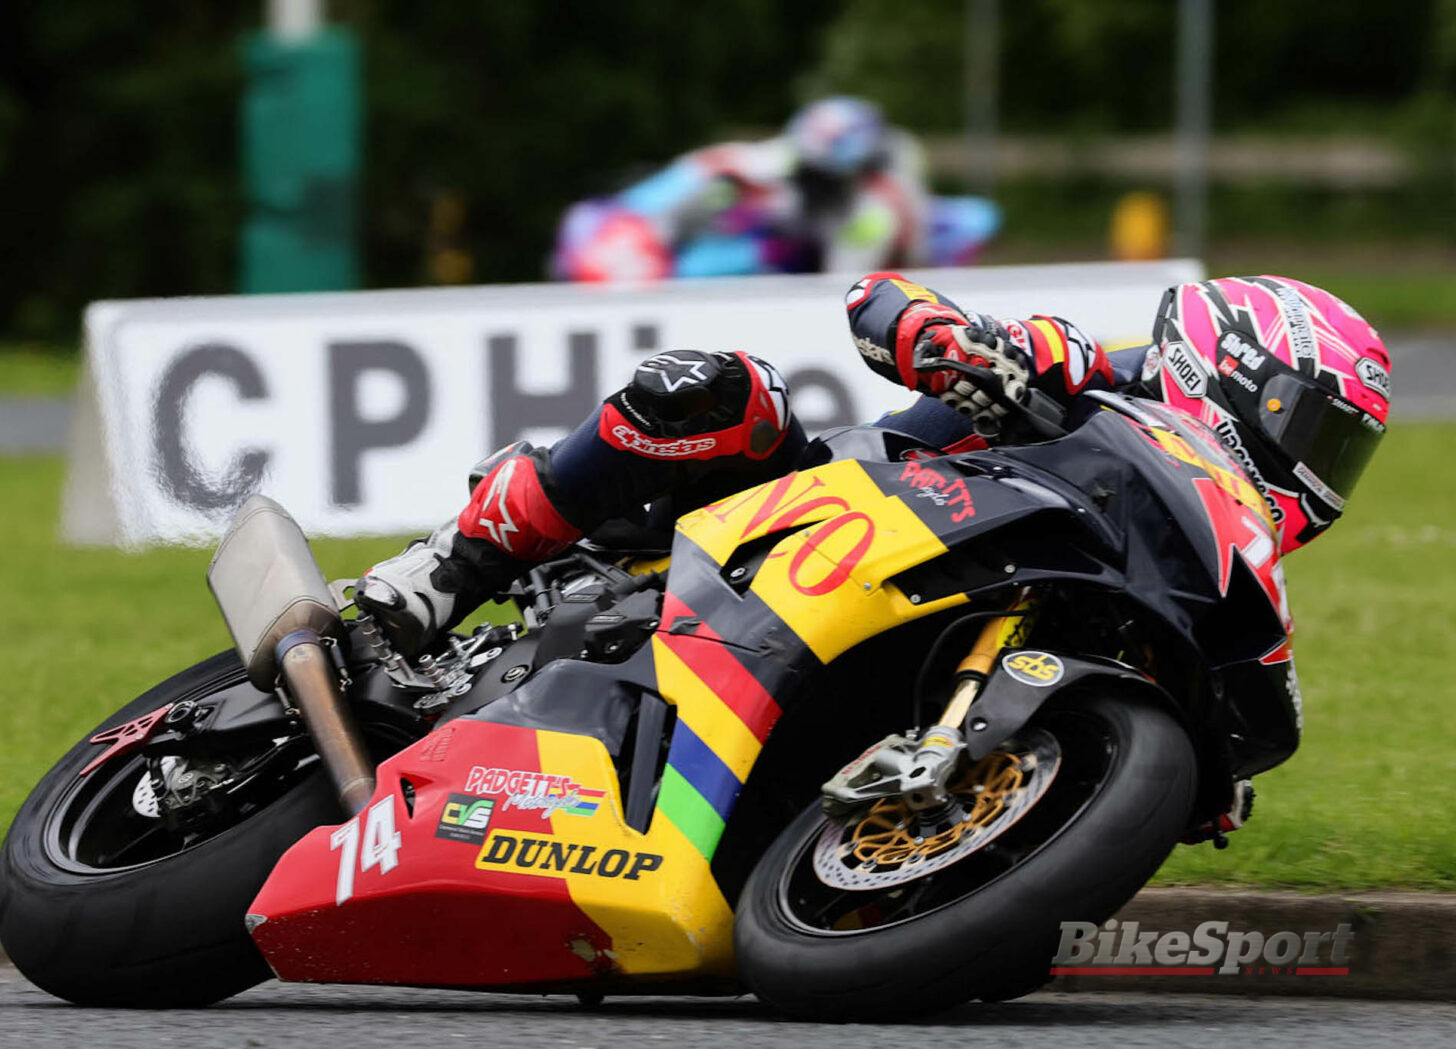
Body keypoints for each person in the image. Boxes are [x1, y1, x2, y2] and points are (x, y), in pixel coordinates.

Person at [355, 272, 1391, 656]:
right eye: (1318, 431)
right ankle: (458, 567)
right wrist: (947, 344)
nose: (1321, 467)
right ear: (1244, 369)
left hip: (925, 629)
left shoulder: (1223, 550)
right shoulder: (1094, 374)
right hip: (812, 523)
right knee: (716, 390)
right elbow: (877, 300)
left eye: (1345, 452)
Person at [552, 96, 996, 282]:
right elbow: (718, 168)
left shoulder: (870, 214)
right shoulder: (758, 166)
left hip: (796, 272)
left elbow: (842, 289)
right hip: (722, 248)